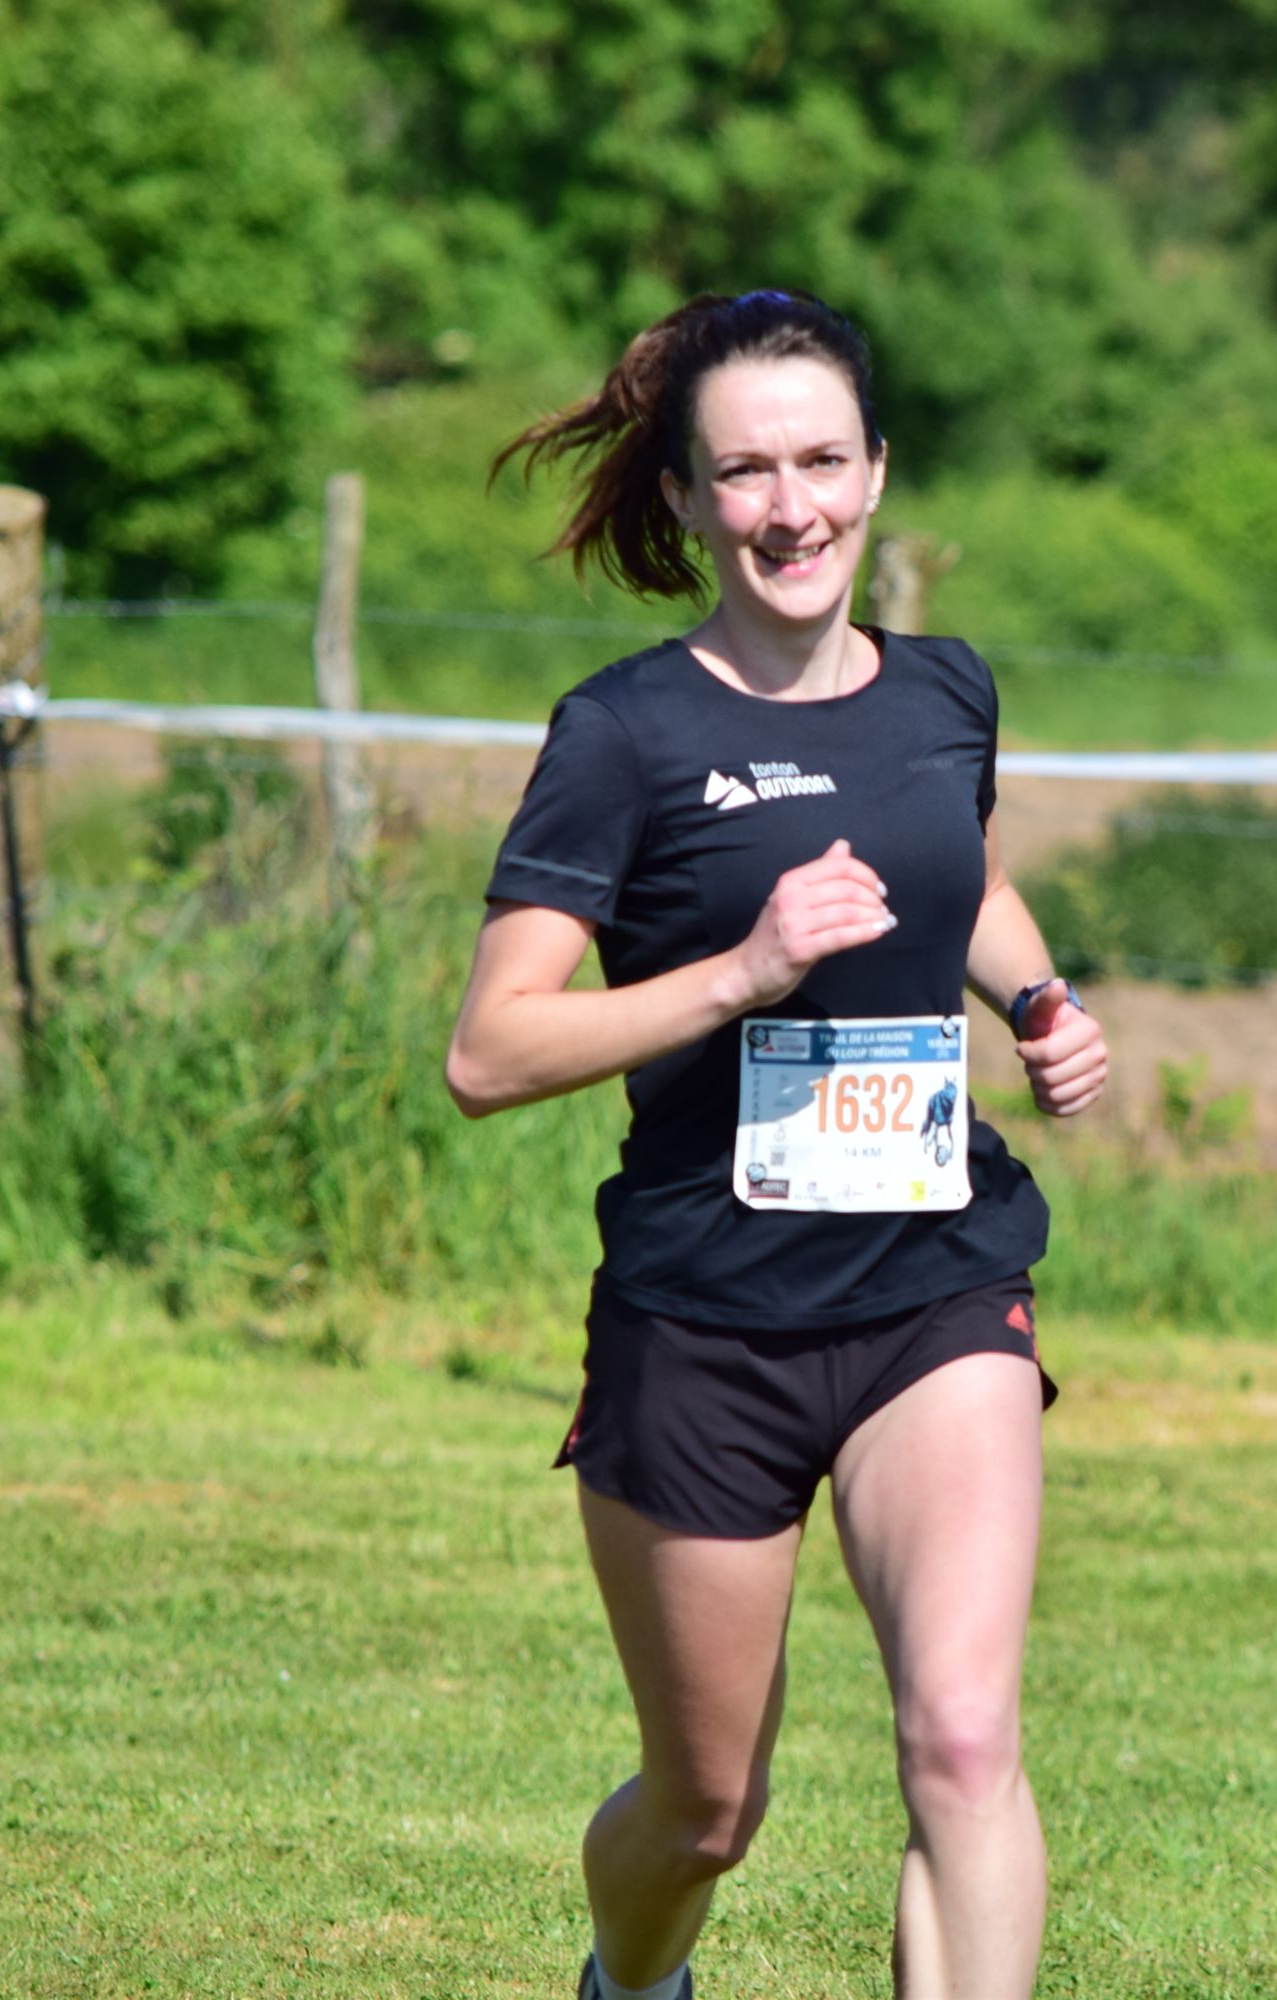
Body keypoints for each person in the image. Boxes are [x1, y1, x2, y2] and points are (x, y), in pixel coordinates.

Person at [445, 288, 1110, 2000]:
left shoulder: (946, 692)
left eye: (823, 462)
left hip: (934, 1286)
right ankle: (631, 1981)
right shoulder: (624, 735)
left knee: (963, 1738)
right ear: (685, 498)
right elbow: (491, 1049)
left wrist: (1036, 999)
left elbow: (960, 867)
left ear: (878, 472)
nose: (790, 506)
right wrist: (741, 973)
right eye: (746, 472)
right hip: (705, 1323)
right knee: (706, 1810)